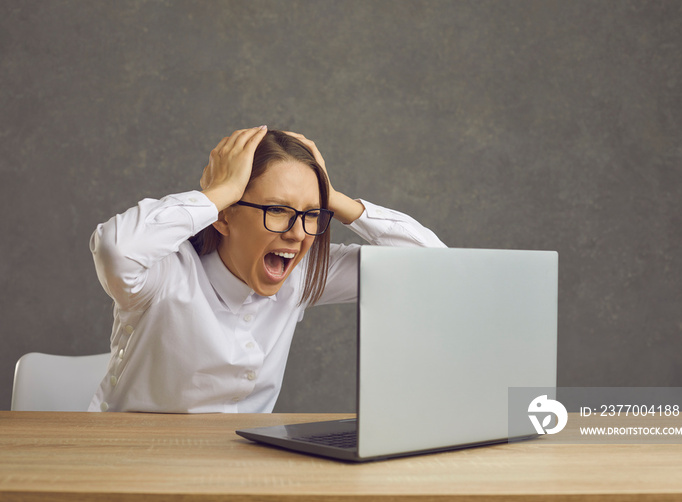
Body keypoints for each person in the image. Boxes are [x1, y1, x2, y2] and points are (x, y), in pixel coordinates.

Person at [89, 126, 446, 413]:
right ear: (225, 215)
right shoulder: (163, 275)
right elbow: (115, 249)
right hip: (137, 462)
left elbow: (436, 265)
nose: (297, 232)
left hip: (243, 471)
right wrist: (218, 193)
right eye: (277, 209)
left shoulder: (302, 275)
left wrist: (332, 198)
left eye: (311, 214)